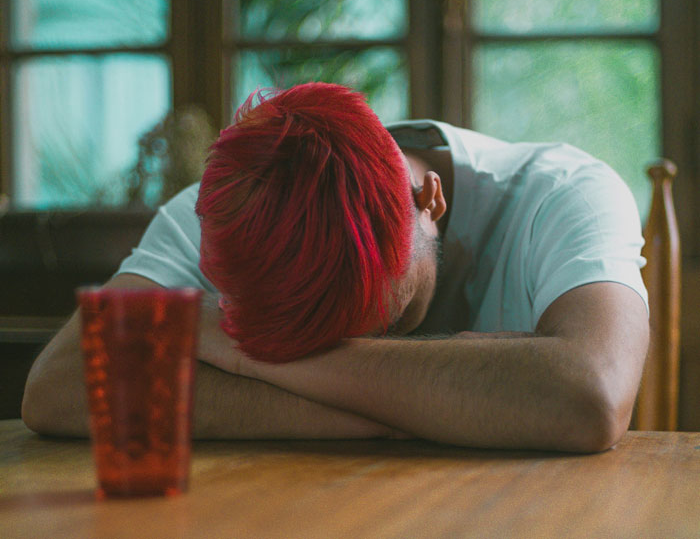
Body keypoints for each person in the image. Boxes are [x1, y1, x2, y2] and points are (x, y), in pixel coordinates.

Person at [22, 82, 649, 452]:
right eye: (302, 344)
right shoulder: (229, 210)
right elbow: (59, 388)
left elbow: (588, 393)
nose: (368, 349)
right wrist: (438, 406)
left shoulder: (565, 194)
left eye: (393, 318)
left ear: (428, 198)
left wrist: (244, 353)